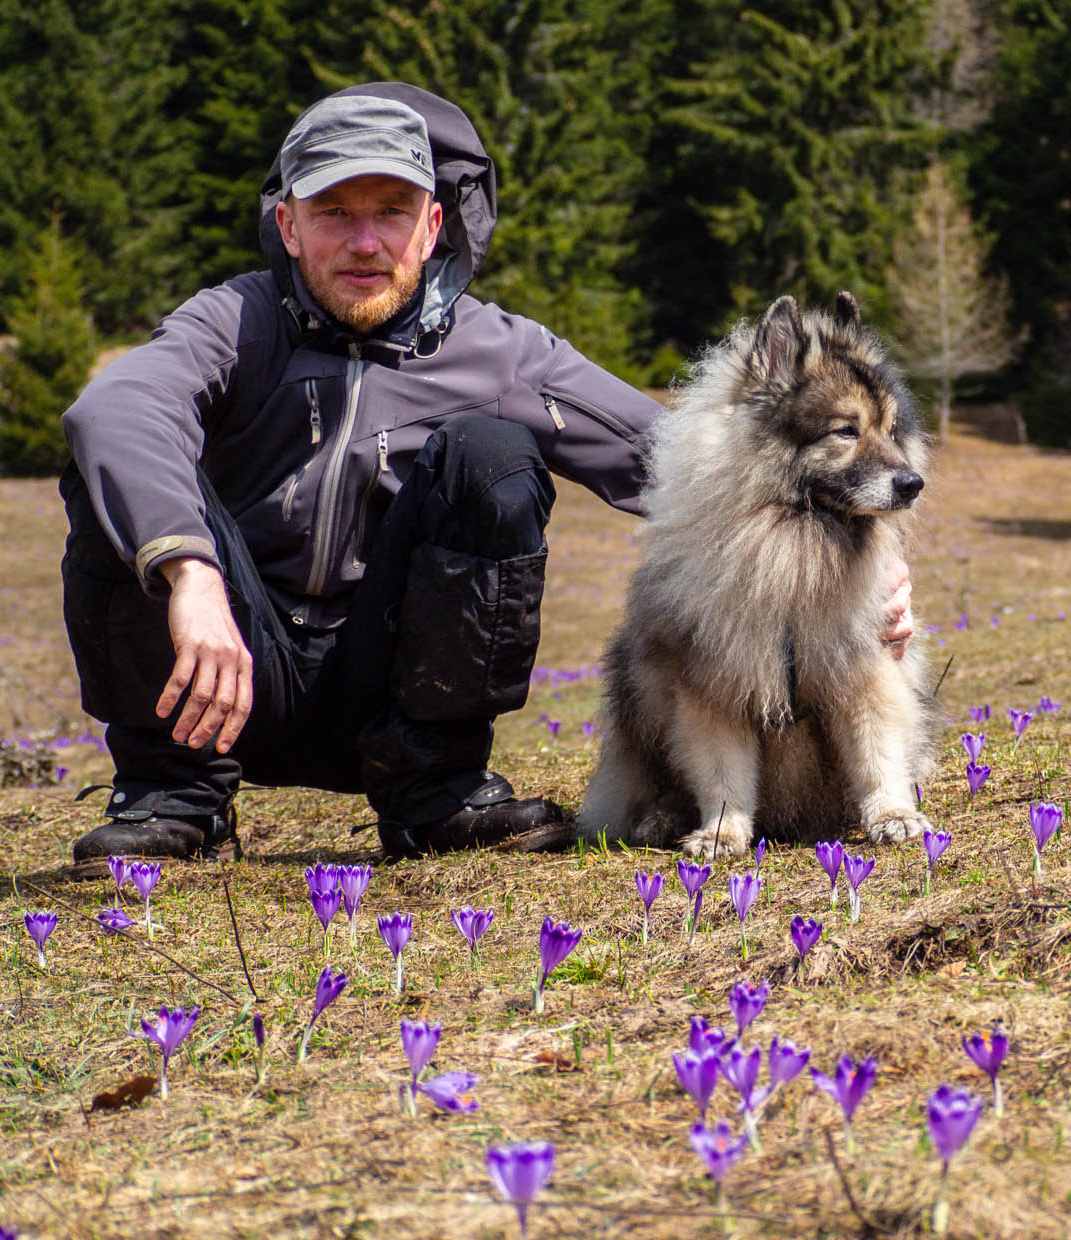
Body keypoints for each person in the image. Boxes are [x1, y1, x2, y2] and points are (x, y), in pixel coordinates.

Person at [59, 83, 912, 866]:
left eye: (391, 212)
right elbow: (113, 413)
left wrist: (868, 569)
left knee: (491, 456)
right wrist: (189, 569)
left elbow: (695, 462)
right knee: (117, 481)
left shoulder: (497, 349)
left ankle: (436, 794)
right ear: (288, 225)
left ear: (433, 226)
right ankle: (173, 795)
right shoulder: (233, 321)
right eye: (333, 213)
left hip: (386, 695)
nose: (365, 242)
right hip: (224, 678)